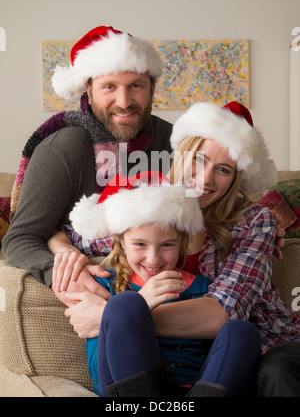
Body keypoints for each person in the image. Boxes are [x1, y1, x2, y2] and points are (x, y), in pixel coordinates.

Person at [57, 101, 300, 396]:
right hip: (148, 361)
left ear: (236, 179)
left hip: (243, 350)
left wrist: (116, 320)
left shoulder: (254, 221)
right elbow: (69, 233)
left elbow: (223, 314)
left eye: (223, 169)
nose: (206, 178)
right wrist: (65, 255)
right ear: (182, 151)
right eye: (199, 159)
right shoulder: (147, 205)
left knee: (241, 332)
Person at [48, 170, 261, 397]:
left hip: (193, 394)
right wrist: (138, 307)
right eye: (140, 244)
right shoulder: (101, 286)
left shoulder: (204, 289)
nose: (153, 259)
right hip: (129, 391)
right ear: (121, 242)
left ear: (182, 243)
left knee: (242, 331)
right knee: (126, 303)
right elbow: (97, 369)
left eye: (167, 245)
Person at [2, 25, 173, 294]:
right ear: (89, 90)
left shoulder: (173, 139)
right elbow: (20, 239)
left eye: (136, 86)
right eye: (109, 87)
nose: (124, 101)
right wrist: (63, 269)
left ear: (152, 88)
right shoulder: (64, 148)